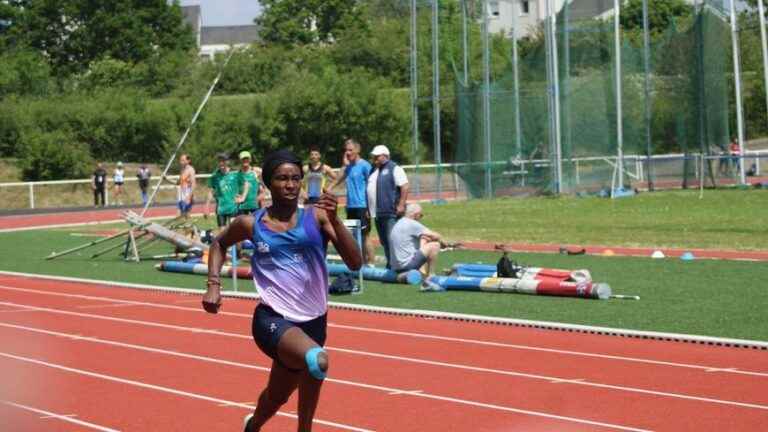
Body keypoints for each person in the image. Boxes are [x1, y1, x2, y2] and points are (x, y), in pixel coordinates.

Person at [202, 149, 362, 432]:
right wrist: (214, 285)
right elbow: (218, 244)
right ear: (268, 183)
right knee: (317, 360)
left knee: (277, 396)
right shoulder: (251, 224)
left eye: (295, 179)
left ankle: (252, 426)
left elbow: (355, 262)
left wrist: (336, 220)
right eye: (282, 178)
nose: (290, 185)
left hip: (313, 321)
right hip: (272, 319)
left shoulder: (318, 218)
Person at [327, 139, 375, 265]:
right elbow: (338, 179)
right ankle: (361, 261)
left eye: (350, 150)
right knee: (353, 236)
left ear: (358, 150)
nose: (347, 153)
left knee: (365, 236)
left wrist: (370, 208)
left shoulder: (365, 165)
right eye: (346, 150)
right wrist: (328, 189)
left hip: (362, 206)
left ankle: (371, 264)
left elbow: (372, 186)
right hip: (351, 207)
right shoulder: (348, 168)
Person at [366, 145, 409, 269]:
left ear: (385, 156)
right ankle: (390, 264)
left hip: (391, 212)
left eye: (377, 156)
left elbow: (405, 186)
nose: (374, 158)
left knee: (392, 240)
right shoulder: (373, 170)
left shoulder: (394, 168)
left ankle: (398, 265)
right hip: (378, 213)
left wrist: (401, 204)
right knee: (384, 241)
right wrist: (369, 208)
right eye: (374, 156)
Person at [389, 203, 446, 283]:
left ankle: (422, 272)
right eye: (421, 215)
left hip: (395, 267)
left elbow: (423, 236)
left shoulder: (398, 223)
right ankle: (431, 275)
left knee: (424, 238)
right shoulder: (412, 224)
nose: (421, 218)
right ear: (416, 215)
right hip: (407, 266)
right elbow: (436, 236)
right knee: (435, 245)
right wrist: (444, 243)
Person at [205, 153, 239, 230]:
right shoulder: (215, 176)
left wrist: (242, 196)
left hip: (233, 207)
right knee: (222, 234)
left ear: (228, 162)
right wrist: (207, 207)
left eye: (223, 161)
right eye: (219, 161)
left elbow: (245, 184)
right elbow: (211, 191)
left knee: (234, 232)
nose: (221, 163)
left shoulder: (235, 173)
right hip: (221, 209)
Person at [166, 153, 196, 219]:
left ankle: (193, 228)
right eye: (180, 160)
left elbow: (194, 184)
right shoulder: (182, 170)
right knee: (178, 215)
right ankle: (176, 229)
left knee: (186, 215)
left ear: (188, 161)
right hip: (181, 194)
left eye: (183, 160)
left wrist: (189, 197)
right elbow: (178, 182)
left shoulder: (191, 170)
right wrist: (167, 179)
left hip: (187, 193)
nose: (181, 162)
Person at [236, 151, 264, 216]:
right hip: (242, 206)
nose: (245, 160)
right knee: (242, 225)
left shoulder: (257, 171)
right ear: (240, 160)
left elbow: (264, 187)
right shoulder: (237, 174)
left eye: (247, 158)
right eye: (243, 159)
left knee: (256, 225)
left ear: (250, 160)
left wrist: (261, 195)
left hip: (255, 205)